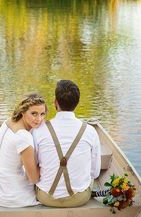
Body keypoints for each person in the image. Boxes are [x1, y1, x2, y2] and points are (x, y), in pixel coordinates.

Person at [33, 79, 101, 208]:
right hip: (79, 198)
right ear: (77, 103)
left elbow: (33, 165)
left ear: (55, 102)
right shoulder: (90, 131)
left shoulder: (39, 130)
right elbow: (95, 173)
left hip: (46, 197)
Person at [0, 93, 46, 208]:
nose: (39, 119)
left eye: (42, 114)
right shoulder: (24, 137)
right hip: (9, 193)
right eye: (34, 114)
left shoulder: (8, 122)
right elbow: (34, 178)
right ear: (23, 112)